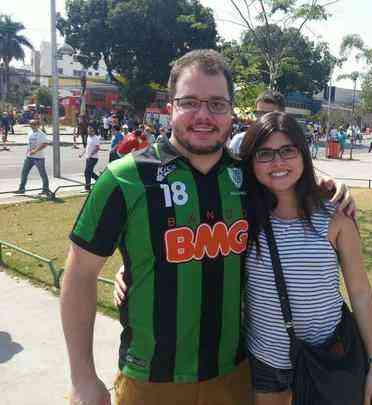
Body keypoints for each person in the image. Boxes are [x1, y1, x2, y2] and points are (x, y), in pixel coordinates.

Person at [63, 49, 354, 405]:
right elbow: (79, 273)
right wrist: (82, 378)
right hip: (150, 383)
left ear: (232, 111)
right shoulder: (125, 178)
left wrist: (322, 180)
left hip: (234, 376)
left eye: (217, 104)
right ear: (171, 106)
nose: (203, 115)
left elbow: (286, 175)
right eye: (190, 102)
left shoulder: (247, 177)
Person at [238, 112, 372, 405]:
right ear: (251, 162)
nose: (277, 162)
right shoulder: (242, 215)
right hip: (267, 360)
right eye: (264, 154)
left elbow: (360, 293)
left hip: (327, 355)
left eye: (287, 151)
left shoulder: (336, 215)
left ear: (303, 154)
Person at [228, 90, 286, 156]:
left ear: (281, 115)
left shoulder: (289, 143)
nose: (262, 118)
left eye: (268, 114)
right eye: (259, 113)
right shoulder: (240, 140)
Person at [15, 120, 51, 196]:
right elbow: (29, 144)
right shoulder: (30, 133)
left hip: (39, 158)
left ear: (38, 125)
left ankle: (45, 189)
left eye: (34, 124)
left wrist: (35, 150)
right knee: (24, 172)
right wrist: (28, 152)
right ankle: (21, 189)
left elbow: (45, 144)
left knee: (42, 174)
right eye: (31, 124)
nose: (32, 126)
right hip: (29, 157)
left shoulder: (41, 134)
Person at [79, 126, 102, 191]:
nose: (88, 132)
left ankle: (87, 187)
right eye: (88, 131)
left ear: (93, 131)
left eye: (90, 131)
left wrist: (91, 154)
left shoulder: (95, 138)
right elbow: (87, 147)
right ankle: (99, 180)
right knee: (90, 172)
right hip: (88, 158)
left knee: (87, 172)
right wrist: (82, 154)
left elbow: (97, 148)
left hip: (93, 158)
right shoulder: (88, 137)